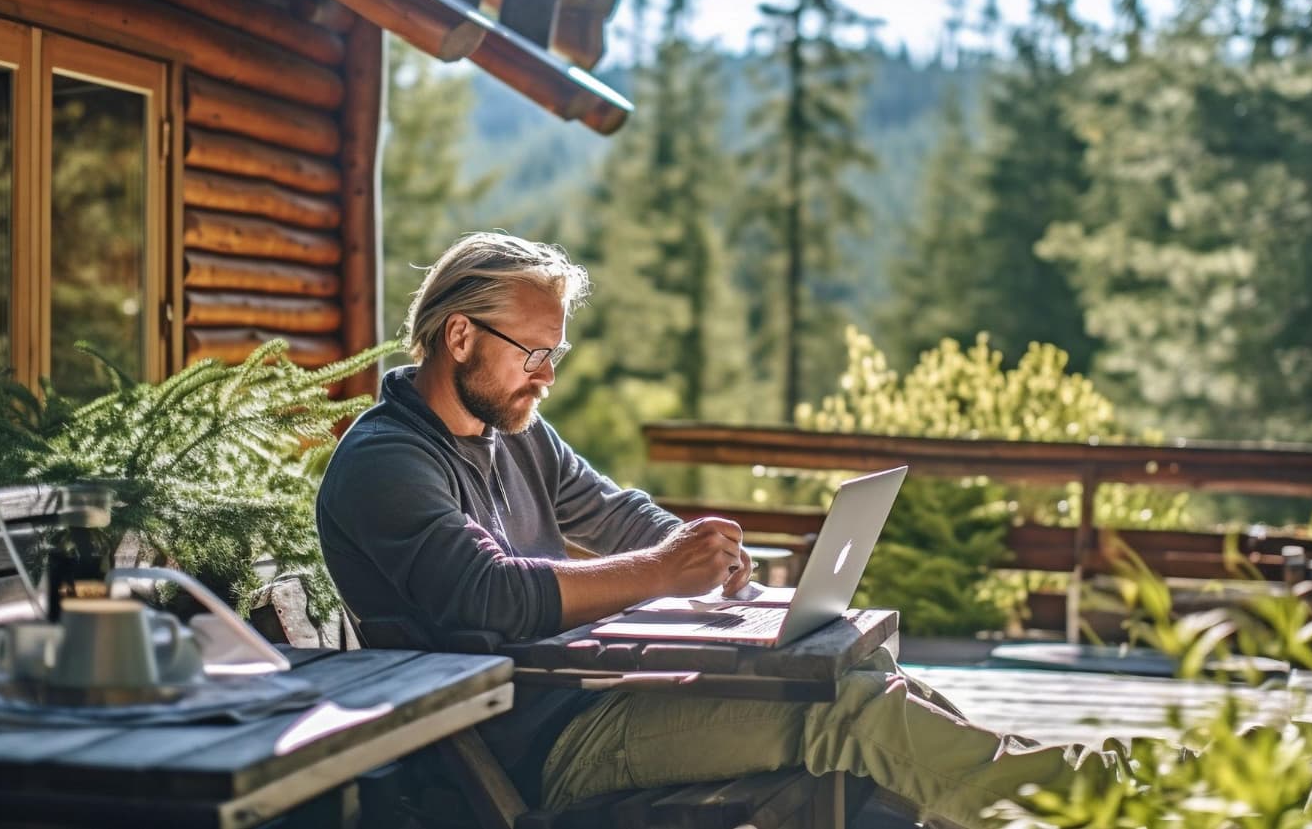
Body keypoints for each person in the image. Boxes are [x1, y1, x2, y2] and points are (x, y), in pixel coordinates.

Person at [316, 231, 1117, 828]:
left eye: (554, 353)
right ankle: (1110, 799)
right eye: (534, 352)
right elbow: (488, 596)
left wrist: (707, 559)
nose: (547, 376)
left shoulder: (514, 433)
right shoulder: (387, 463)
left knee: (878, 692)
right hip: (528, 748)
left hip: (589, 701)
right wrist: (665, 570)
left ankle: (1088, 790)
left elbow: (614, 509)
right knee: (845, 717)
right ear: (460, 336)